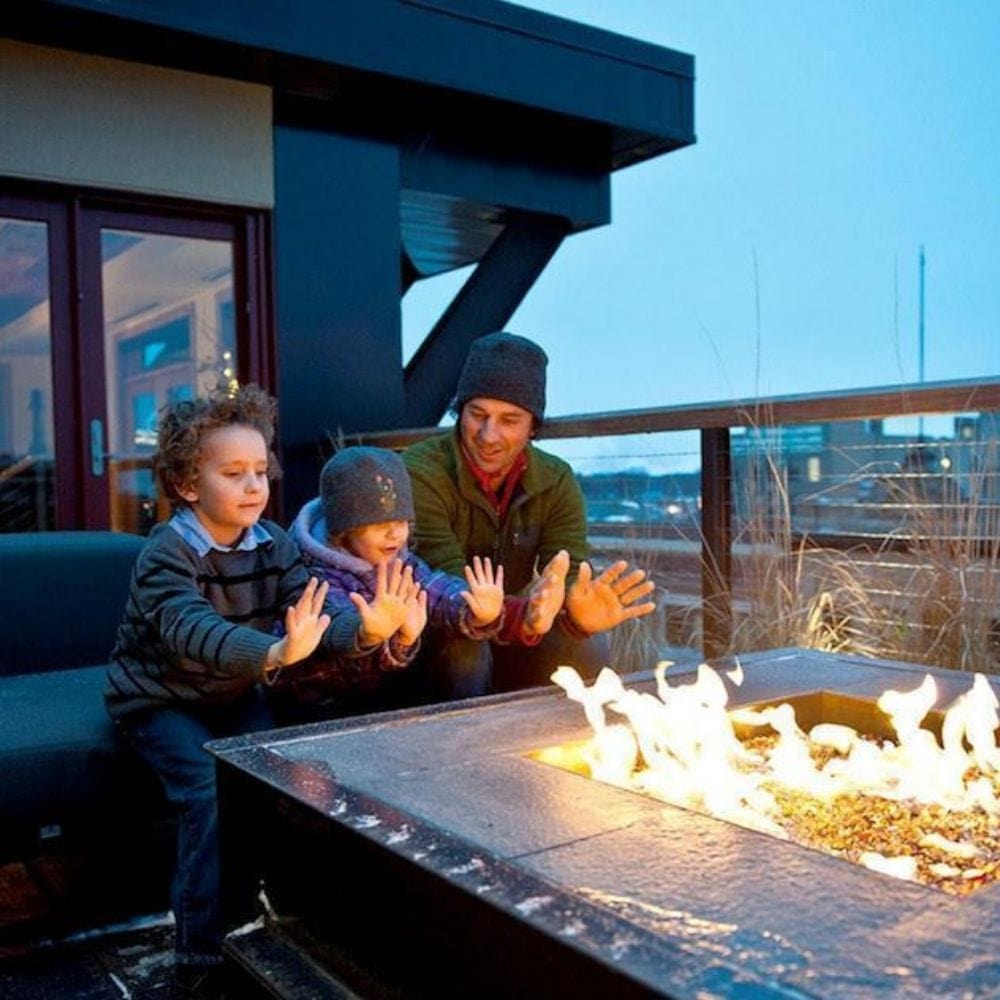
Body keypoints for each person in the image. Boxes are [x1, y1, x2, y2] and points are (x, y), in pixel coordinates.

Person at [104, 384, 339, 996]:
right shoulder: (167, 554)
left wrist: (370, 627)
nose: (255, 486)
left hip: (234, 693)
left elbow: (312, 613)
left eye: (260, 470)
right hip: (160, 699)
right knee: (206, 791)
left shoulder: (276, 543)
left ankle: (262, 917)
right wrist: (271, 653)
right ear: (187, 483)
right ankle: (201, 956)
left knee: (269, 776)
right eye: (234, 473)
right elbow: (190, 631)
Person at [403, 331, 656, 694]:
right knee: (466, 651)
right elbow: (452, 589)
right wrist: (527, 616)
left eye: (509, 420)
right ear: (460, 413)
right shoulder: (420, 470)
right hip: (436, 629)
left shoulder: (555, 479)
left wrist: (573, 610)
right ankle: (458, 750)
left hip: (518, 626)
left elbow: (566, 568)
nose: (489, 435)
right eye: (478, 414)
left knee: (587, 643)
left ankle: (574, 745)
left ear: (533, 425)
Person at [276, 445, 567, 717]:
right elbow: (340, 655)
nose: (395, 535)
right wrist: (372, 634)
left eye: (401, 522)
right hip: (324, 707)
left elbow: (436, 590)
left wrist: (476, 609)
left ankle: (465, 733)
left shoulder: (399, 560)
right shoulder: (314, 575)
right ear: (343, 530)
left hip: (385, 687)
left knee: (466, 645)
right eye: (379, 526)